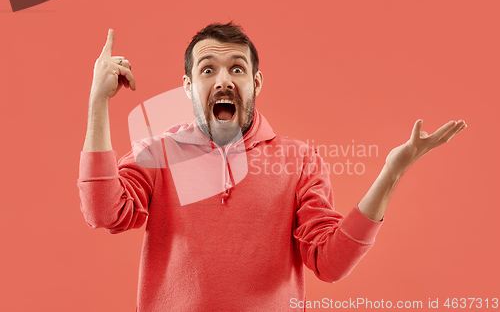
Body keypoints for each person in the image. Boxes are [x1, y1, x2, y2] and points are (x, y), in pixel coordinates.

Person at [78, 22, 466, 312]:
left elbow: (329, 263)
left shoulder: (298, 160)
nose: (223, 80)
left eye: (237, 69)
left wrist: (391, 174)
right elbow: (103, 212)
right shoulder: (157, 154)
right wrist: (98, 102)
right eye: (207, 69)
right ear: (187, 86)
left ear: (256, 82)